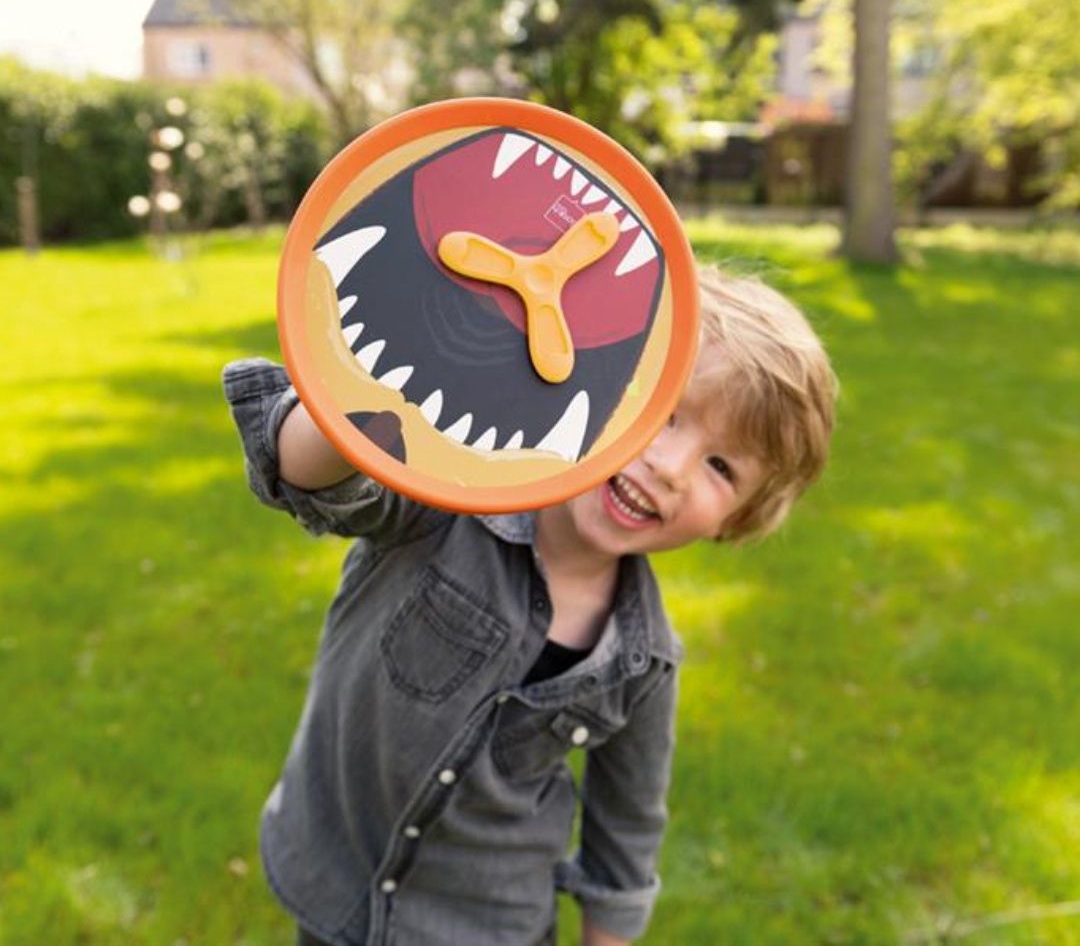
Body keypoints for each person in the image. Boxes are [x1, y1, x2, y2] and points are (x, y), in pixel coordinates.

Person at [222, 264, 837, 946]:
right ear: (595, 379)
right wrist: (363, 407)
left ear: (738, 519)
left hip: (493, 925)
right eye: (664, 413)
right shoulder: (449, 494)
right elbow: (308, 479)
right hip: (337, 883)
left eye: (723, 468)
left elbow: (626, 834)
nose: (671, 467)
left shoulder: (644, 659)